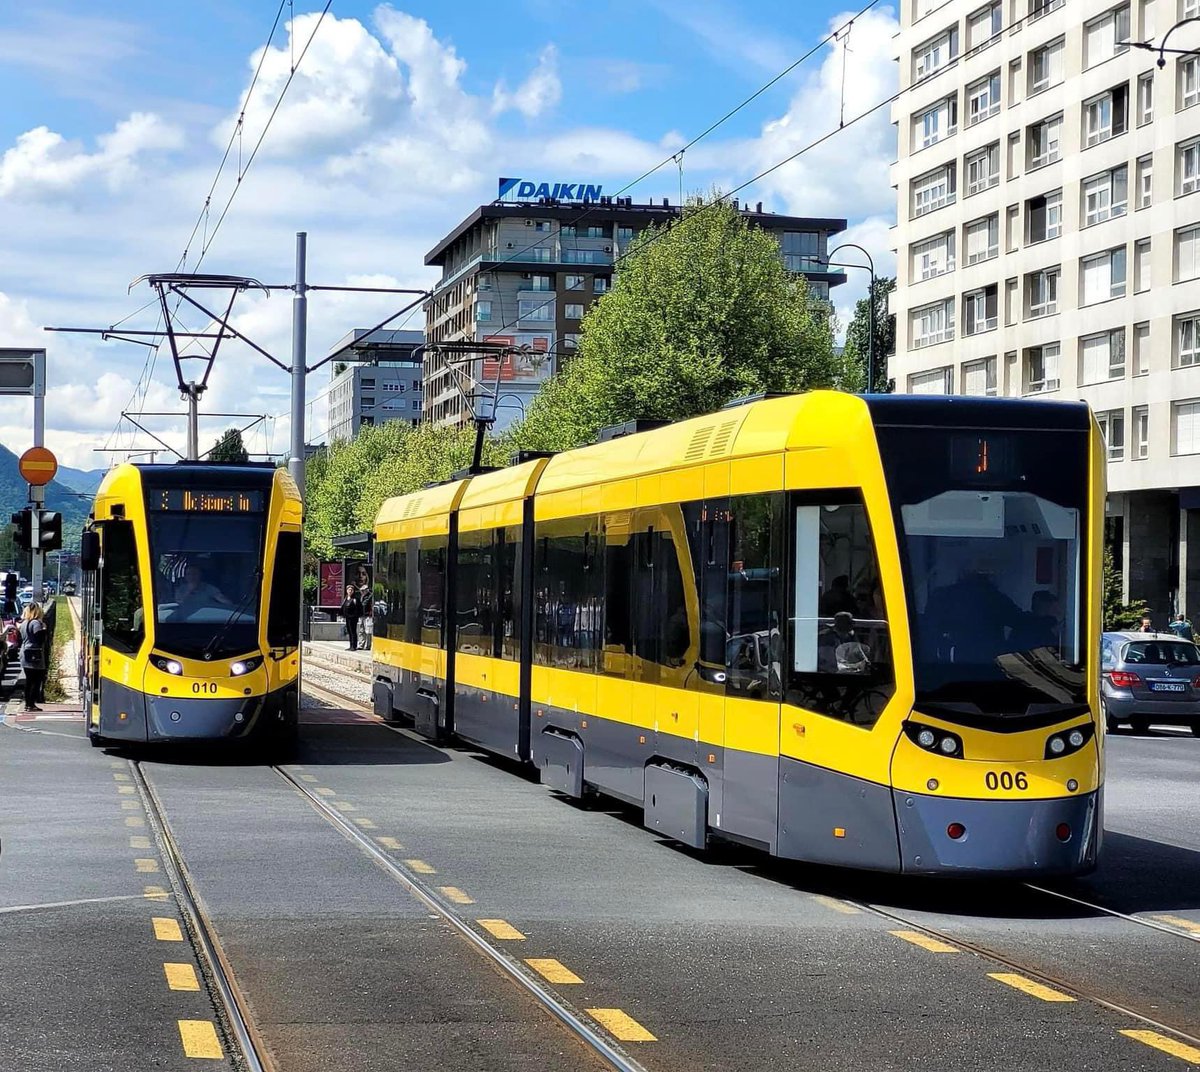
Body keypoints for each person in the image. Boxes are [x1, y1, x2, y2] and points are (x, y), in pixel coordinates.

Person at [19, 603, 48, 711]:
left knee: (29, 680)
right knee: (36, 680)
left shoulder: (24, 623)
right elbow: (39, 639)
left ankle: (27, 704)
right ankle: (31, 703)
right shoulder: (36, 623)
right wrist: (44, 629)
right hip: (34, 654)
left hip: (24, 652)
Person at [340, 583, 362, 651]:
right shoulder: (346, 598)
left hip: (353, 618)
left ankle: (354, 646)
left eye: (351, 590)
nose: (350, 591)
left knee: (353, 632)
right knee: (349, 631)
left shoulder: (355, 599)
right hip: (347, 617)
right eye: (348, 590)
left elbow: (358, 608)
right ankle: (350, 645)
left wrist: (356, 616)